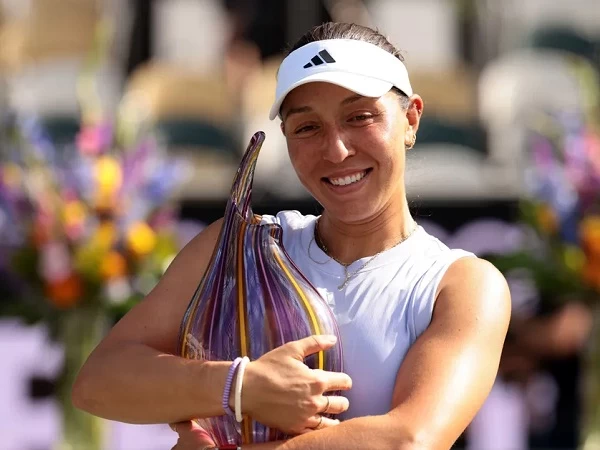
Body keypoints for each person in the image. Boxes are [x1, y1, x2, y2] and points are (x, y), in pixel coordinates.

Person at [72, 22, 511, 450]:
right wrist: (240, 386)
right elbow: (98, 382)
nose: (336, 149)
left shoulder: (465, 284)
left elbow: (409, 440)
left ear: (411, 118)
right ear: (285, 137)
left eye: (360, 117)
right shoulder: (231, 246)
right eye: (307, 127)